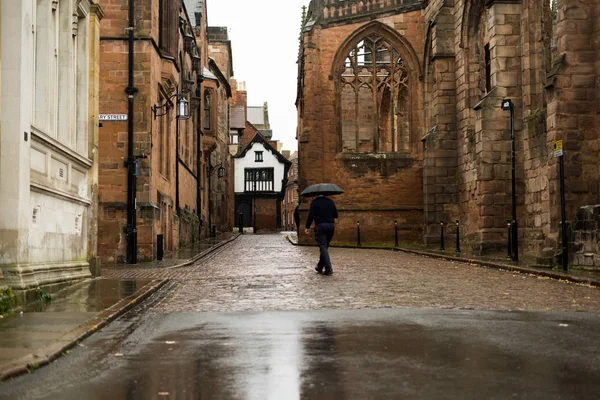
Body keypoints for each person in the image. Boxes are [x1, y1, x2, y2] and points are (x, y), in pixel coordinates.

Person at [304, 194, 338, 275]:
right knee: (325, 247)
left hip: (320, 226)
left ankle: (328, 268)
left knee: (323, 247)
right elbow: (336, 215)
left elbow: (310, 216)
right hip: (331, 226)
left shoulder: (314, 202)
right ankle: (320, 266)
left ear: (315, 194)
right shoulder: (330, 201)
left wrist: (307, 227)